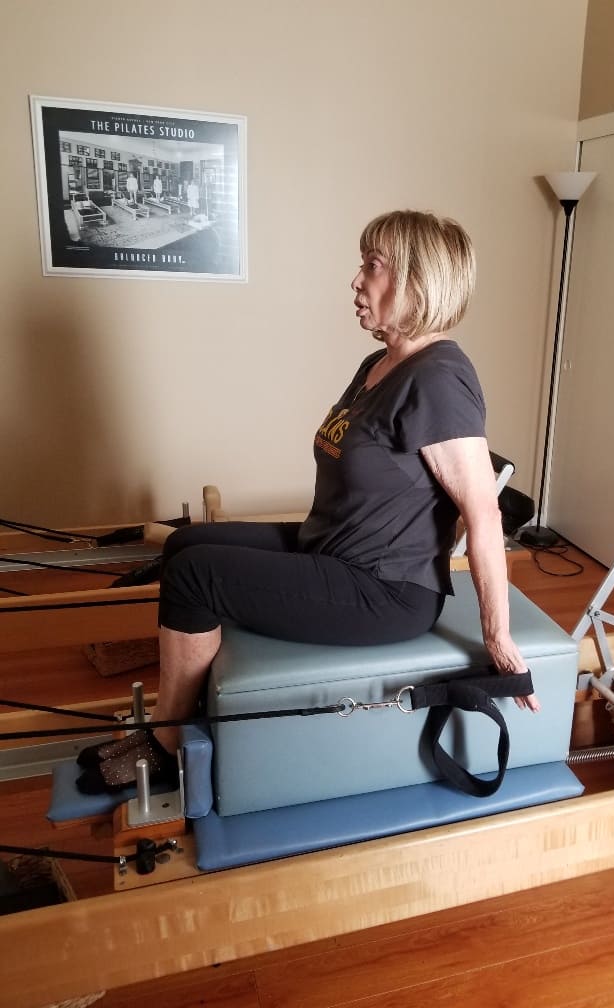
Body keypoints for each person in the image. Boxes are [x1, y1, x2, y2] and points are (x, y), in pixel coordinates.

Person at [76, 209, 538, 794]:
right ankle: (187, 704)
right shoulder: (381, 364)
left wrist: (498, 637)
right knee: (188, 542)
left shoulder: (439, 378)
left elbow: (483, 511)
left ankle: (167, 745)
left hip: (385, 589)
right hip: (333, 547)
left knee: (196, 575)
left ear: (417, 283)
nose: (356, 280)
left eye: (372, 267)